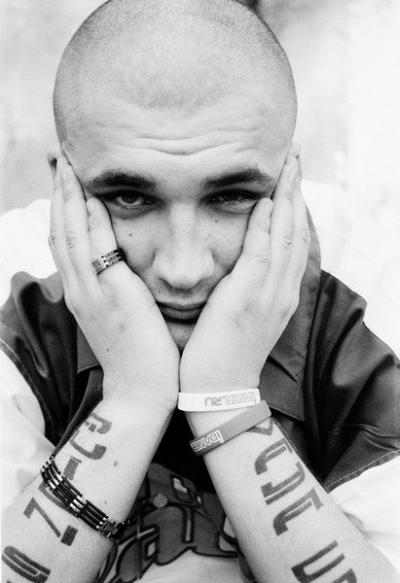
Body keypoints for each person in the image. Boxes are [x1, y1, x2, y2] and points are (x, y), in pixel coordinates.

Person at [1, 0, 399, 582]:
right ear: (65, 182)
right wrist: (133, 400)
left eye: (231, 196)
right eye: (130, 197)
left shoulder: (373, 289)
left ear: (288, 178)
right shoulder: (18, 286)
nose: (183, 269)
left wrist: (225, 400)